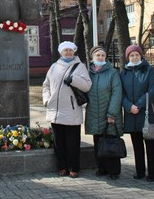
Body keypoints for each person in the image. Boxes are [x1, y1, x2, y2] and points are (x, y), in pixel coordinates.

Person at [42, 41, 92, 178]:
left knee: (72, 143)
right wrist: (46, 99)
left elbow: (87, 86)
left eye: (70, 50)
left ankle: (74, 167)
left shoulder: (80, 66)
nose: (68, 52)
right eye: (66, 50)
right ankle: (62, 166)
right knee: (59, 143)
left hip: (71, 110)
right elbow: (45, 85)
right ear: (61, 52)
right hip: (55, 111)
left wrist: (74, 79)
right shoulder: (54, 67)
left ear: (74, 51)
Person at [120, 44, 154, 182]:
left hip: (146, 112)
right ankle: (139, 171)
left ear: (140, 55)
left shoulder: (148, 70)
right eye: (131, 55)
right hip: (131, 114)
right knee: (137, 146)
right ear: (128, 57)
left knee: (150, 146)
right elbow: (121, 93)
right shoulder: (124, 72)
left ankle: (152, 173)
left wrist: (138, 105)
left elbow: (153, 91)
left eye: (136, 55)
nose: (134, 57)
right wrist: (128, 106)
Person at [84, 45, 123, 179]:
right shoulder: (88, 73)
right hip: (94, 114)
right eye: (97, 55)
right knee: (99, 143)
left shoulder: (112, 73)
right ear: (92, 57)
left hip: (109, 114)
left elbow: (117, 93)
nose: (100, 57)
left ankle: (114, 171)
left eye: (102, 55)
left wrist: (112, 113)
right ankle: (101, 168)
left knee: (111, 143)